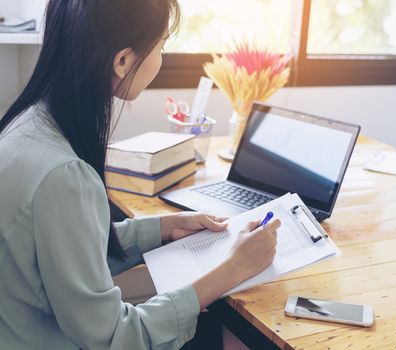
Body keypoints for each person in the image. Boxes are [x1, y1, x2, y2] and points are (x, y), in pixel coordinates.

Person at [0, 0, 281, 349]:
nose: (161, 59)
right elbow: (114, 337)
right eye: (161, 45)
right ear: (123, 61)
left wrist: (161, 229)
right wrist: (232, 270)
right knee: (237, 335)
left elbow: (65, 253)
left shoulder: (25, 124)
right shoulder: (64, 176)